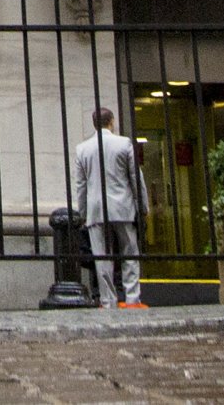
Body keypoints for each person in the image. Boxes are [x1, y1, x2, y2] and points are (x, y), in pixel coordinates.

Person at [72, 107, 148, 309]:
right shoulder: (124, 144)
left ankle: (108, 300)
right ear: (111, 122)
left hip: (96, 209)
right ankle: (132, 298)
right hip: (123, 206)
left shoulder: (83, 149)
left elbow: (81, 185)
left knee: (102, 257)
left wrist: (83, 213)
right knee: (129, 253)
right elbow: (135, 177)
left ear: (94, 124)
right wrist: (143, 206)